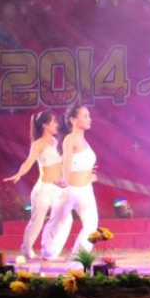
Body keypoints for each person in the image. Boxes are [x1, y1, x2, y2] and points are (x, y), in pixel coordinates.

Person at [4, 110, 72, 261]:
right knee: (37, 221)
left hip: (58, 189)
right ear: (45, 125)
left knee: (66, 219)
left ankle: (51, 252)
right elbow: (28, 162)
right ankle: (27, 249)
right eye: (53, 122)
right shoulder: (38, 144)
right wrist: (19, 174)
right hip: (44, 189)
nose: (57, 124)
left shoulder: (57, 141)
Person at [42, 103, 98, 261]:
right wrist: (65, 180)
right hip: (70, 191)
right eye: (85, 116)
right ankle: (46, 252)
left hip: (86, 191)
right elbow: (66, 163)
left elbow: (80, 164)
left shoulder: (84, 140)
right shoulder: (70, 139)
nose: (89, 119)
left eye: (89, 116)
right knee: (56, 224)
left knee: (91, 227)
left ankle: (77, 259)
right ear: (73, 120)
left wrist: (90, 175)